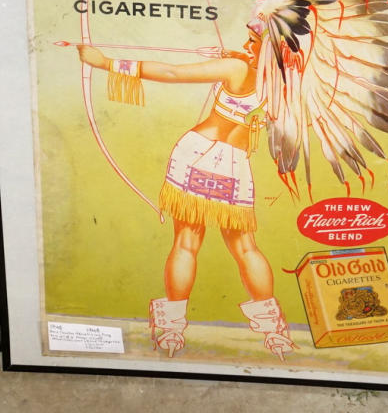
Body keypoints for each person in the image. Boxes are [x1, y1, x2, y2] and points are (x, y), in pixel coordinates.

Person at [77, 26, 296, 361]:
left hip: (196, 153)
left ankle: (172, 330)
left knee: (186, 243)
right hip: (235, 164)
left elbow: (172, 73)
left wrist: (105, 63)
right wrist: (237, 56)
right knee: (246, 248)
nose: (245, 45)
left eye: (253, 42)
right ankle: (274, 333)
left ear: (271, 48)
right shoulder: (289, 83)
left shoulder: (237, 68)